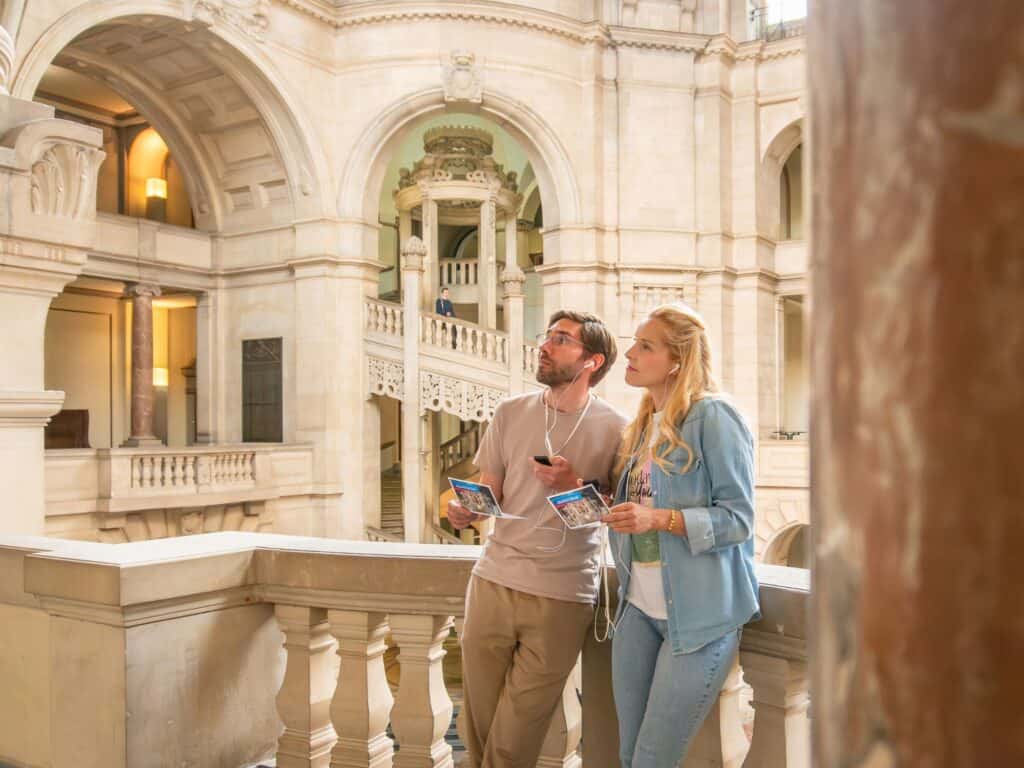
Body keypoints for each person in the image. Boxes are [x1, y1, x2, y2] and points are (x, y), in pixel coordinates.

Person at [448, 309, 629, 768]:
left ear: (592, 361)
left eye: (561, 340)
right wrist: (465, 510)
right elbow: (490, 488)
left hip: (563, 595)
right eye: (546, 336)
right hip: (493, 580)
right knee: (480, 724)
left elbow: (616, 516)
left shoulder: (617, 429)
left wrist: (573, 485)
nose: (544, 346)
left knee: (516, 733)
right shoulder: (511, 411)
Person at [603, 303, 760, 768]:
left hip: (699, 618)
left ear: (677, 360)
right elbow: (643, 505)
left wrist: (659, 520)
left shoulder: (713, 417)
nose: (629, 353)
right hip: (637, 610)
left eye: (645, 346)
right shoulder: (643, 424)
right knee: (631, 754)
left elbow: (738, 518)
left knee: (652, 759)